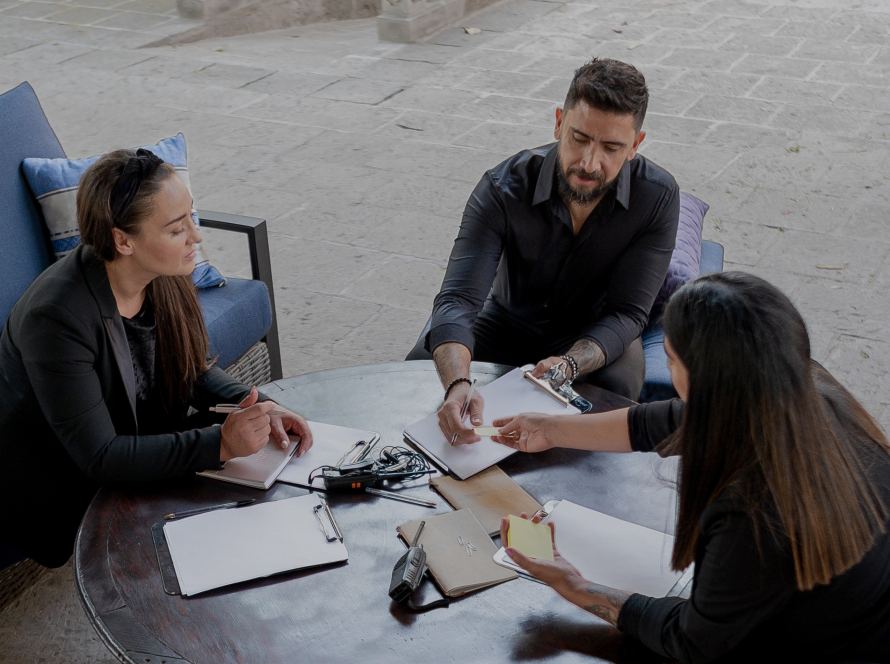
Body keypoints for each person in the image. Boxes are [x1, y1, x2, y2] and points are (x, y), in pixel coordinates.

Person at [492, 272, 890, 663]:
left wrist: (572, 583)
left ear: (707, 380)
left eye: (669, 357)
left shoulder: (752, 512)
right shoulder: (806, 393)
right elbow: (660, 422)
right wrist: (549, 428)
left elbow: (692, 641)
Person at [0, 149, 313, 568]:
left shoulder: (161, 276)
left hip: (132, 436)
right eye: (175, 228)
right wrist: (220, 442)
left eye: (191, 218)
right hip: (57, 476)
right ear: (122, 240)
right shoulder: (55, 318)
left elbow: (193, 368)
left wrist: (253, 403)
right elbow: (100, 456)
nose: (196, 238)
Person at [406, 58, 680, 445]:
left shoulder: (657, 196)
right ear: (557, 123)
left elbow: (628, 312)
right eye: (579, 138)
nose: (589, 163)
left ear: (636, 145)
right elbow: (458, 299)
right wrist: (458, 382)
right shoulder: (502, 188)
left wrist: (570, 363)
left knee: (616, 391)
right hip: (506, 320)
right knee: (420, 366)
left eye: (611, 148)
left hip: (596, 331)